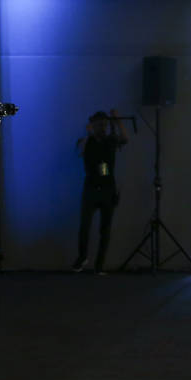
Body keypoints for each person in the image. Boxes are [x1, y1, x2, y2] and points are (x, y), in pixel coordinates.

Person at [72, 110, 128, 275]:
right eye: (99, 125)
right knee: (85, 226)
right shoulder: (86, 141)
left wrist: (117, 121)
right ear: (93, 125)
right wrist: (88, 134)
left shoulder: (110, 141)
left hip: (108, 188)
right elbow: (78, 151)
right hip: (91, 187)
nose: (102, 128)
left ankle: (99, 266)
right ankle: (82, 257)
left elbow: (125, 139)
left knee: (105, 228)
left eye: (104, 124)